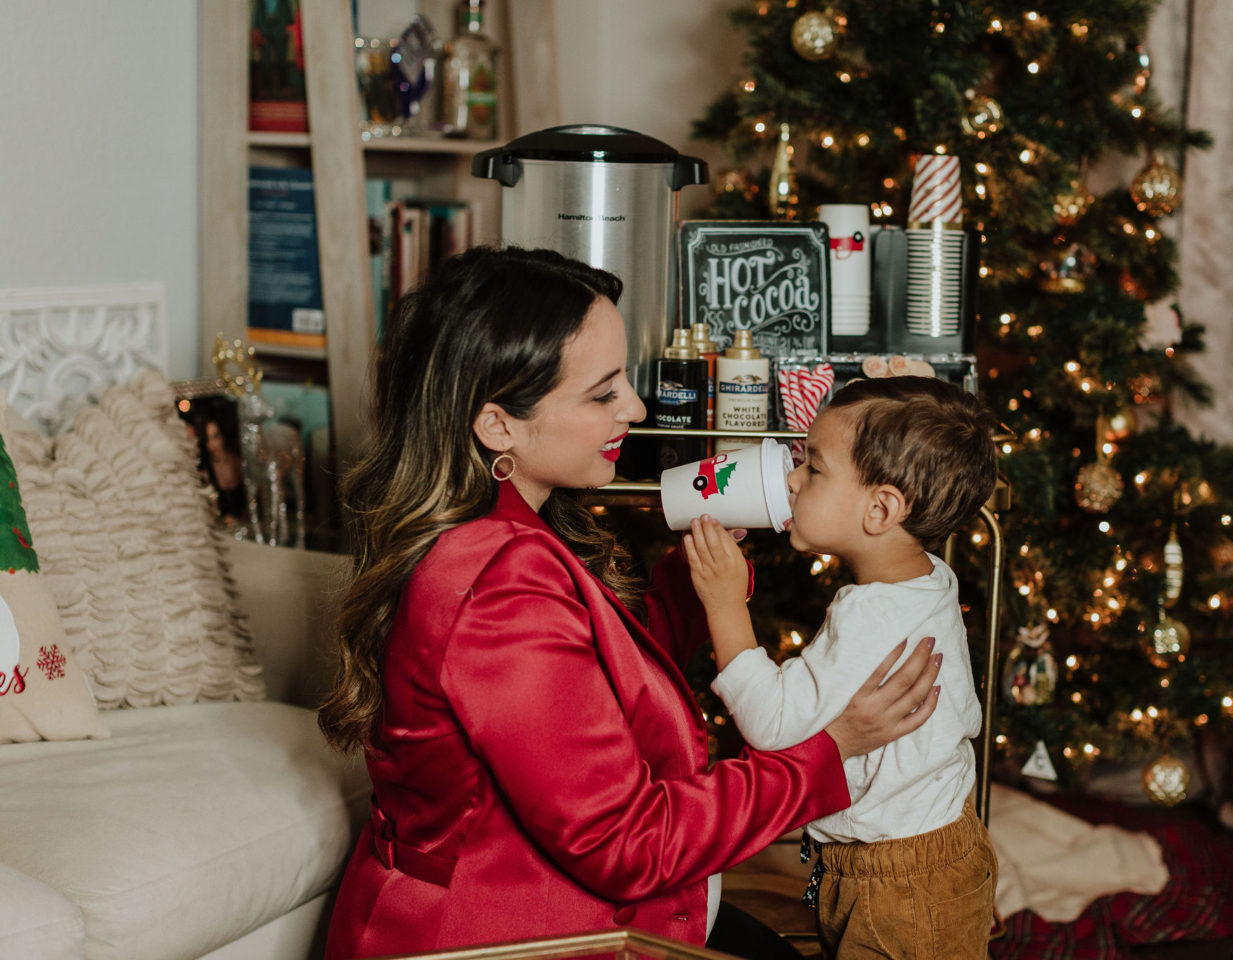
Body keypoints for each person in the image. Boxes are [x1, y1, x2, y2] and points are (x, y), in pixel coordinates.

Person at [317, 245, 945, 960]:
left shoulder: (513, 528)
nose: (636, 408)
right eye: (603, 393)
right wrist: (828, 752)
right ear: (498, 426)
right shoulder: (496, 583)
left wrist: (688, 584)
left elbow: (587, 690)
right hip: (504, 937)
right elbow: (626, 843)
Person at [684, 375, 1002, 960]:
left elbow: (775, 724)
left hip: (898, 886)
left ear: (880, 508)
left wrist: (726, 606)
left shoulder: (869, 616)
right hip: (936, 851)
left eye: (814, 468)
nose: (791, 479)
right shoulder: (929, 577)